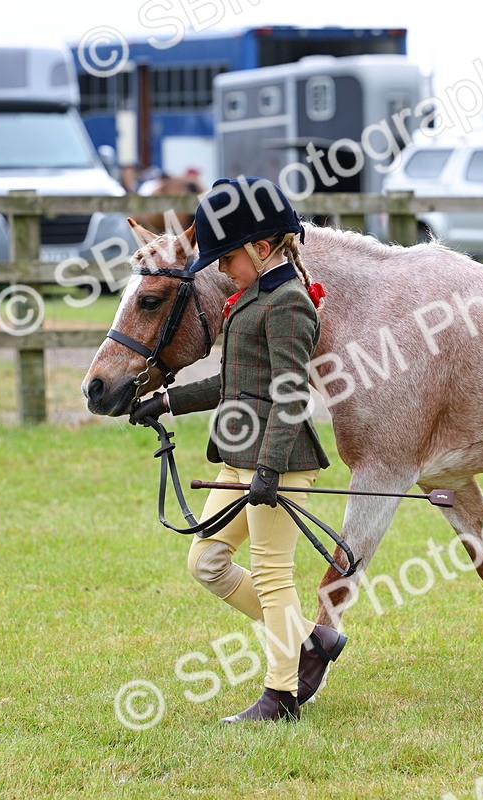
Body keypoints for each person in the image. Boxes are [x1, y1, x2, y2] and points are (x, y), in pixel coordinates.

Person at [129, 177, 342, 722]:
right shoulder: (249, 297)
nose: (221, 269)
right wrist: (167, 401)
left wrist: (269, 470)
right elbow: (234, 383)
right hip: (239, 455)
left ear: (261, 248)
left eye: (227, 257)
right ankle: (310, 641)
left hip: (278, 460)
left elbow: (292, 395)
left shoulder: (290, 304)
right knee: (206, 561)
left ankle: (281, 695)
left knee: (271, 574)